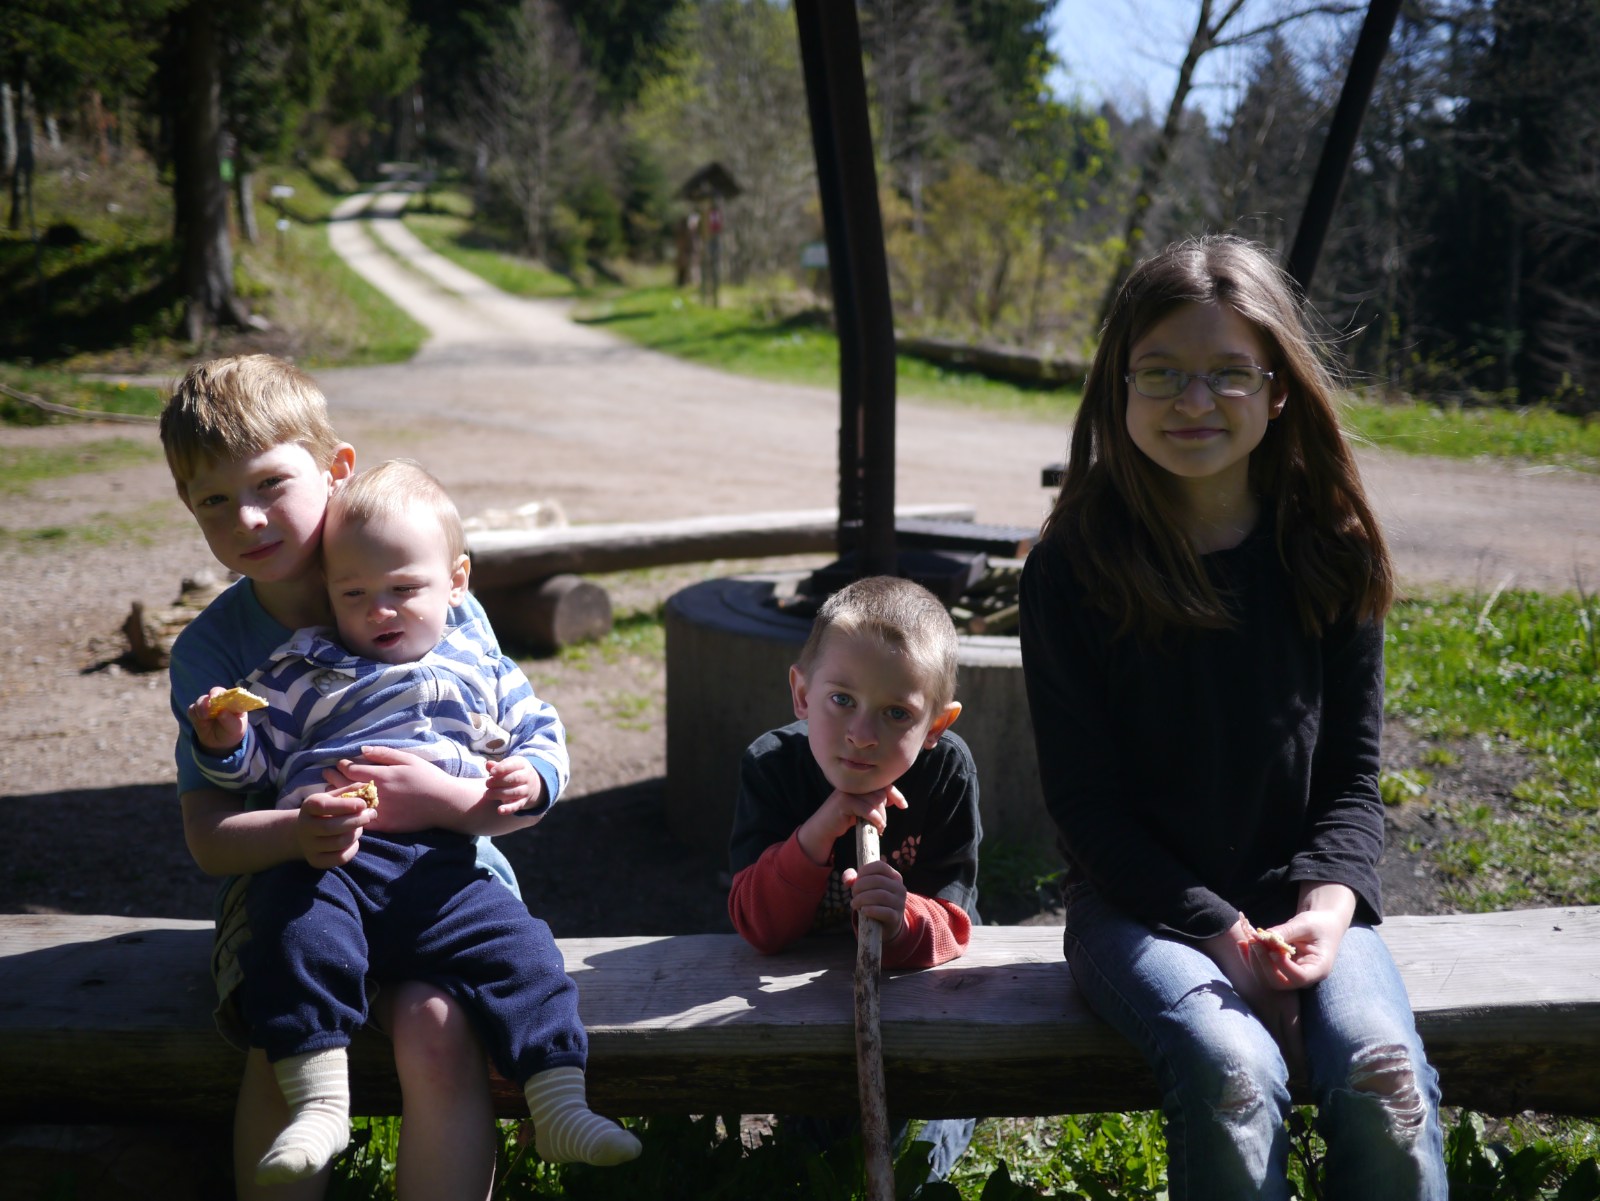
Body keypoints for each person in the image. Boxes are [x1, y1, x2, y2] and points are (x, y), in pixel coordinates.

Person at [1019, 235, 1447, 1199]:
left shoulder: (1329, 548)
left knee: (1383, 1074)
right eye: (1161, 372)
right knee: (1232, 1072)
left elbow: (1351, 783)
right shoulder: (1072, 568)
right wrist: (1221, 936)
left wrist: (1326, 911)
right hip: (1137, 916)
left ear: (1278, 388)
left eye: (1228, 373)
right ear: (1119, 386)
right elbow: (1086, 808)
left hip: (1304, 906)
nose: (1194, 400)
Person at [160, 355, 554, 1200]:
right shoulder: (214, 651)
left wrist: (450, 800)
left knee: (439, 1026)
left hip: (448, 871)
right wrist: (296, 831)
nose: (248, 518)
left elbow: (519, 783)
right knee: (281, 1033)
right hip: (294, 885)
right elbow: (210, 839)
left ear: (335, 467)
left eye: (271, 483)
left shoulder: (431, 582)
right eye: (214, 501)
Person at [185, 458, 641, 1184]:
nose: (379, 611)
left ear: (455, 582)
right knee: (296, 935)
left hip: (442, 866)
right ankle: (320, 1101)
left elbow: (540, 731)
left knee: (522, 949)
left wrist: (533, 775)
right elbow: (253, 765)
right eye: (354, 594)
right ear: (329, 594)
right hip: (330, 858)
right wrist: (226, 742)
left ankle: (559, 1099)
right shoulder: (305, 666)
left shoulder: (479, 665)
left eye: (402, 590)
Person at [728, 575, 979, 1181]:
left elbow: (955, 922)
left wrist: (904, 921)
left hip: (916, 1005)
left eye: (897, 713)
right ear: (801, 692)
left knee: (917, 1153)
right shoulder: (773, 767)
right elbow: (758, 928)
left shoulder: (947, 773)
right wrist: (817, 832)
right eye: (841, 699)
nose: (862, 736)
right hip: (795, 1006)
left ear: (936, 725)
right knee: (812, 1163)